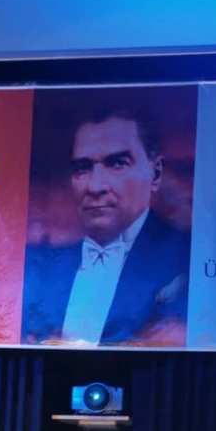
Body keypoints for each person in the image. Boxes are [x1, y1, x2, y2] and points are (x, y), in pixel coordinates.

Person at [21, 110, 190, 347]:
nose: (95, 186)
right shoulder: (41, 267)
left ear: (155, 173)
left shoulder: (188, 258)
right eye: (82, 168)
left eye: (117, 164)